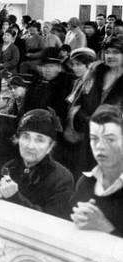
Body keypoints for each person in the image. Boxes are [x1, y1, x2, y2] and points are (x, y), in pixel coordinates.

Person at [0, 108, 74, 220]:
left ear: (50, 146)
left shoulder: (62, 179)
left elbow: (53, 223)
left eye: (39, 140)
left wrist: (15, 197)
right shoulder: (8, 168)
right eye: (26, 137)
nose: (30, 146)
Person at [70, 37, 123, 179]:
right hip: (88, 136)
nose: (110, 56)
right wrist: (86, 118)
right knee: (84, 179)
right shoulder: (97, 72)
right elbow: (79, 103)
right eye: (108, 52)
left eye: (116, 52)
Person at [71, 104, 123, 236]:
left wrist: (104, 226)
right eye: (94, 138)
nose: (100, 146)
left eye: (109, 139)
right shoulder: (85, 182)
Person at [24, 48, 73, 122]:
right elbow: (27, 106)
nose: (47, 70)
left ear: (59, 68)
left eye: (51, 66)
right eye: (45, 66)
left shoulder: (66, 83)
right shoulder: (36, 81)